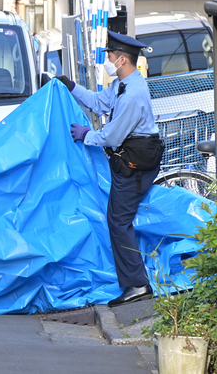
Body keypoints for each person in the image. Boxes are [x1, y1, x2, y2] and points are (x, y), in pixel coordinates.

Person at [54, 31, 164, 307]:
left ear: (123, 59)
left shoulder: (132, 95)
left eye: (111, 57)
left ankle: (137, 285)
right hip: (132, 157)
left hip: (134, 163)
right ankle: (134, 279)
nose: (108, 61)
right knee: (118, 219)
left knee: (118, 222)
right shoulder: (123, 84)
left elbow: (112, 137)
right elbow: (98, 102)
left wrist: (86, 135)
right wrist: (70, 86)